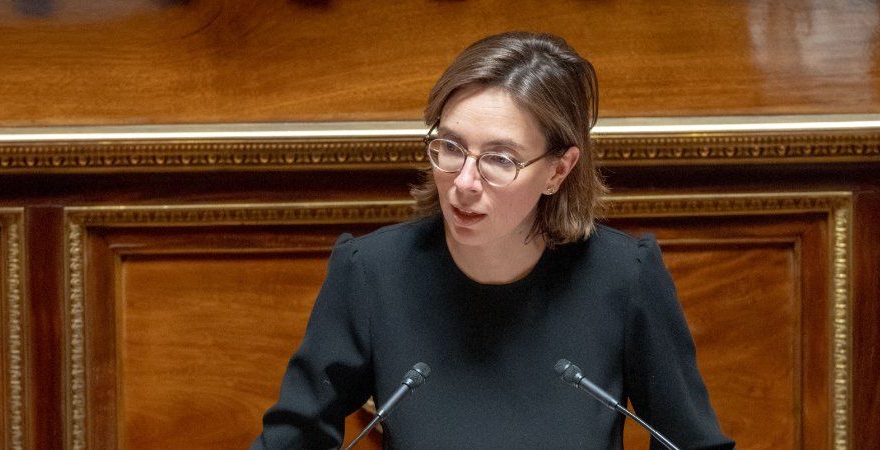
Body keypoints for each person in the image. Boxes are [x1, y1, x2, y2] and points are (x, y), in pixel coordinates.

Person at [251, 31, 734, 449]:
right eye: (451, 147)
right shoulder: (371, 272)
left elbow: (692, 442)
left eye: (500, 159)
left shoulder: (625, 277)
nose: (464, 182)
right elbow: (292, 440)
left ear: (558, 170)